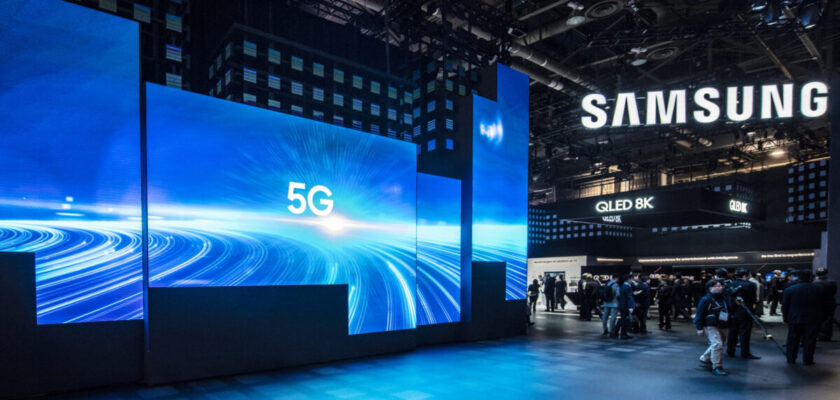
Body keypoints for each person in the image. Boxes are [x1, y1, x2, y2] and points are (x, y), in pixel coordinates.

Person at [782, 269, 831, 365]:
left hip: (795, 318)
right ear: (810, 277)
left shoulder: (790, 289)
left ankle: (791, 358)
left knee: (793, 339)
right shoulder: (819, 289)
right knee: (810, 339)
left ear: (798, 277)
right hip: (813, 318)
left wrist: (785, 318)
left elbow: (785, 306)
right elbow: (825, 305)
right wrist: (824, 317)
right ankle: (808, 360)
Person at [694, 280, 731, 376]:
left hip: (723, 323)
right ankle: (717, 366)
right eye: (718, 286)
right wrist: (699, 328)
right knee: (717, 344)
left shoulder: (724, 298)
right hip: (710, 325)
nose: (721, 287)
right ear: (710, 288)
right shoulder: (706, 299)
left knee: (719, 344)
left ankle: (705, 358)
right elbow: (699, 314)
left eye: (721, 286)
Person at [725, 269, 760, 360]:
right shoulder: (751, 285)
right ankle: (745, 353)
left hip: (732, 311)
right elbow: (753, 299)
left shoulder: (730, 285)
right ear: (745, 275)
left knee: (732, 332)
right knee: (745, 333)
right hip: (745, 311)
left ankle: (730, 351)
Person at [814, 267, 837, 341]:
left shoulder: (814, 283)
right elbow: (834, 292)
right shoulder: (832, 282)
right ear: (826, 273)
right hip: (830, 303)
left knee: (818, 321)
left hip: (818, 304)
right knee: (829, 321)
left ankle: (820, 335)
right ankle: (827, 336)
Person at [617, 275, 635, 339]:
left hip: (622, 305)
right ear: (629, 279)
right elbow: (629, 298)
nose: (632, 281)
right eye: (632, 279)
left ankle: (622, 333)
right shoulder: (627, 287)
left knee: (623, 319)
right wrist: (631, 307)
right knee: (624, 320)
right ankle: (623, 334)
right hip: (626, 306)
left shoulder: (621, 286)